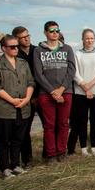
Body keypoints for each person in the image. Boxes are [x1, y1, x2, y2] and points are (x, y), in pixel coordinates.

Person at [0, 35, 35, 179]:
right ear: (4, 48)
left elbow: (31, 82)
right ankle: (5, 168)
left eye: (17, 46)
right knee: (3, 140)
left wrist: (26, 99)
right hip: (4, 109)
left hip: (23, 108)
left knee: (18, 139)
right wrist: (12, 100)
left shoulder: (23, 63)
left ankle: (15, 164)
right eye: (12, 46)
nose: (15, 49)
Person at [34, 21, 76, 163]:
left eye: (57, 30)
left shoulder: (67, 49)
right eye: (51, 30)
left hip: (66, 91)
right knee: (49, 125)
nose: (55, 33)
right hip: (46, 93)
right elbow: (38, 74)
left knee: (63, 123)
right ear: (45, 32)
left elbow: (71, 71)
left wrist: (61, 89)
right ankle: (51, 154)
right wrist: (52, 91)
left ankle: (61, 152)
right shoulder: (38, 50)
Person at [68, 29, 95, 157]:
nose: (89, 40)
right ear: (82, 39)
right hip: (80, 93)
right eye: (87, 38)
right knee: (82, 121)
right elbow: (75, 73)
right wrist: (85, 88)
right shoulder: (77, 54)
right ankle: (84, 148)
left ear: (94, 39)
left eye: (91, 38)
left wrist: (89, 86)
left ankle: (94, 147)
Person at [13, 26, 40, 167]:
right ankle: (27, 159)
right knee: (24, 129)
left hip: (41, 93)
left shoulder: (37, 50)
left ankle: (49, 154)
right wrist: (29, 97)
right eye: (23, 37)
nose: (27, 38)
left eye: (27, 35)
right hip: (26, 96)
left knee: (48, 125)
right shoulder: (15, 54)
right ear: (17, 39)